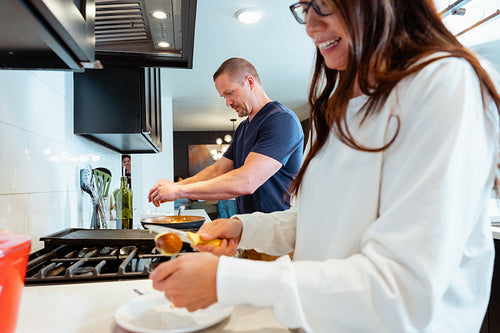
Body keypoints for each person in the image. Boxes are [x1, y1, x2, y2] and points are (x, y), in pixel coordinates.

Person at [150, 1, 500, 332]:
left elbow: (400, 291)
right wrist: (243, 227)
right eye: (305, 8)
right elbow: (314, 219)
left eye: (324, 4)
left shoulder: (443, 83)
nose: (311, 25)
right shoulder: (333, 108)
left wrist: (227, 280)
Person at [148, 57, 304, 259]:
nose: (228, 102)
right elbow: (218, 169)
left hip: (276, 243)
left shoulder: (281, 120)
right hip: (249, 235)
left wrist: (179, 190)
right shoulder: (243, 128)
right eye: (224, 97)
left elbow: (246, 181)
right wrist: (176, 185)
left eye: (230, 93)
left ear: (249, 82)